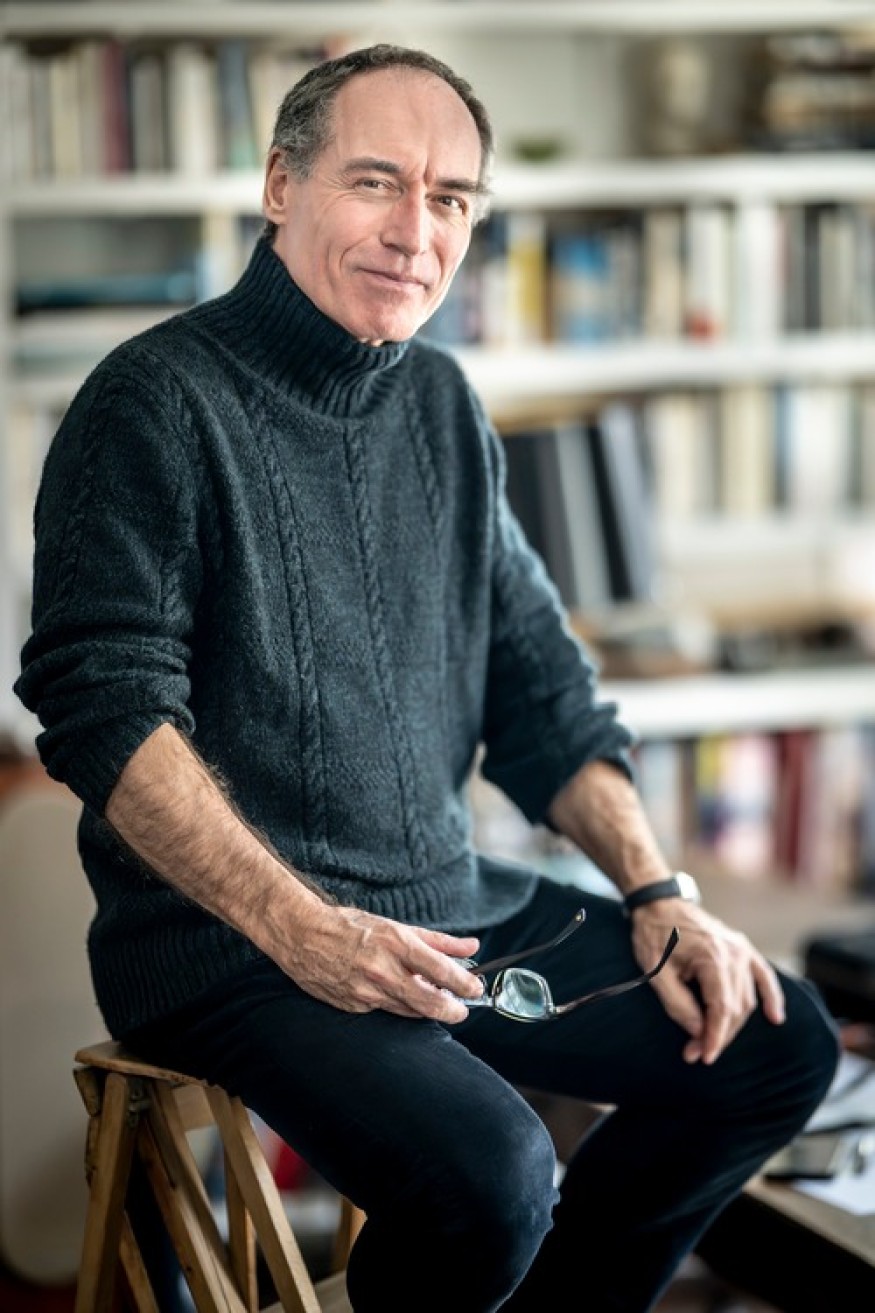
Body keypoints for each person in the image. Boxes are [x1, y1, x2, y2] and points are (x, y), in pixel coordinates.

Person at [16, 44, 838, 1313]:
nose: (416, 232)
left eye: (450, 197)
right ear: (279, 185)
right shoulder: (151, 402)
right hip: (231, 945)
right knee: (496, 1174)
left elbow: (543, 690)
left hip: (440, 910)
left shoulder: (443, 405)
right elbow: (102, 710)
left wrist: (657, 889)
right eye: (375, 182)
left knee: (774, 1041)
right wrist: (305, 926)